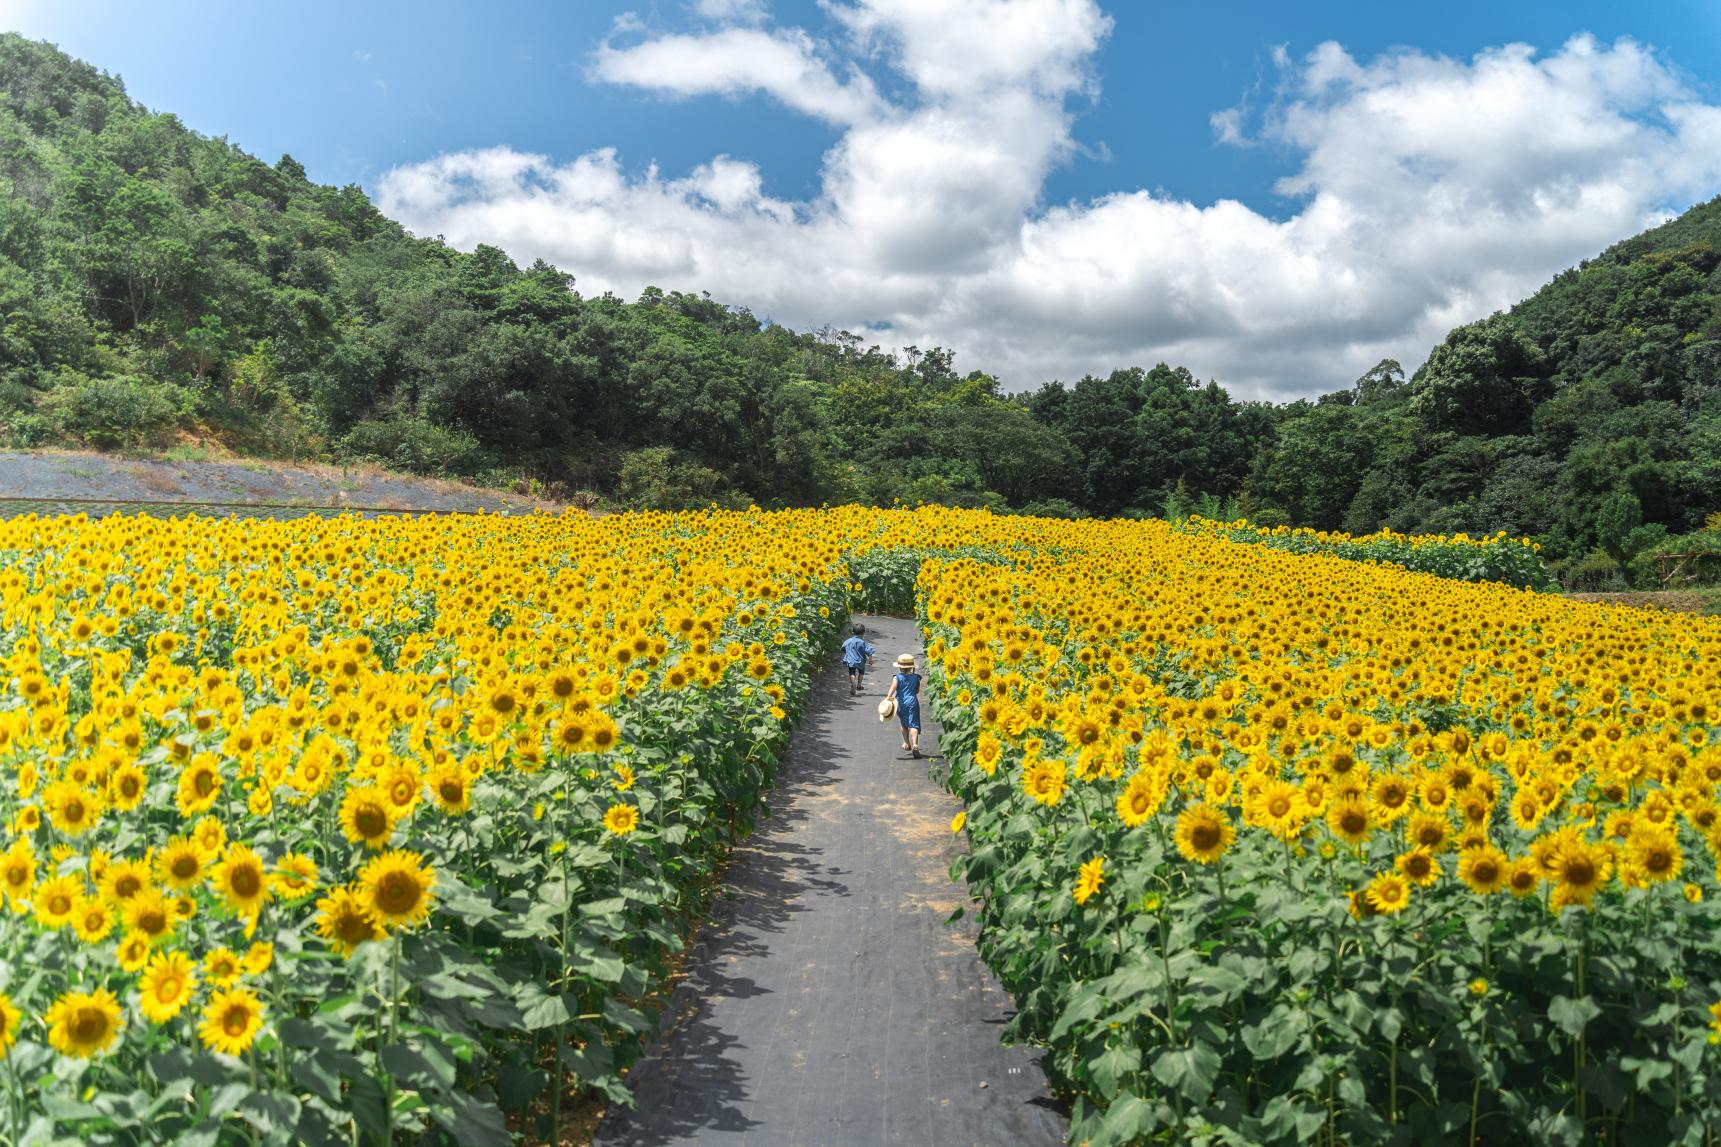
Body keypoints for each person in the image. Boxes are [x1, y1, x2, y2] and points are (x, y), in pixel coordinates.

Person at [885, 652, 922, 757]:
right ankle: (915, 745)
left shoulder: (897, 678)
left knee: (904, 724)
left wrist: (888, 699)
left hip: (900, 702)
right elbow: (917, 691)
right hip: (913, 701)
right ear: (911, 667)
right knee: (914, 724)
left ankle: (907, 743)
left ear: (900, 667)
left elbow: (892, 690)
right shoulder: (916, 677)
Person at [840, 624, 876, 696]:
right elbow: (869, 651)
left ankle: (853, 683)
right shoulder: (863, 642)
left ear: (853, 632)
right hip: (860, 661)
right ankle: (859, 686)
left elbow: (843, 648)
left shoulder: (848, 641)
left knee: (852, 673)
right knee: (861, 672)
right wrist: (870, 659)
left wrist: (847, 652)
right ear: (863, 633)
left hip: (850, 660)